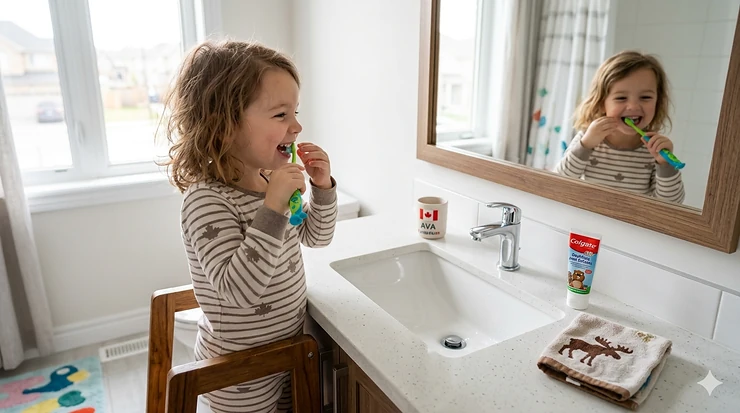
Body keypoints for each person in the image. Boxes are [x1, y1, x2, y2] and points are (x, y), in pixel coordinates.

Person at [159, 39, 338, 413]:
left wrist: (322, 189)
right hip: (240, 373)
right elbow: (238, 292)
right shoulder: (206, 201)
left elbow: (316, 237)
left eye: (295, 112)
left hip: (287, 351)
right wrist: (272, 205)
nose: (297, 126)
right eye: (280, 115)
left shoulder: (269, 180)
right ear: (225, 127)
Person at [555, 50, 685, 204]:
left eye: (645, 97)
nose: (633, 106)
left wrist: (665, 164)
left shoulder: (654, 151)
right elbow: (558, 183)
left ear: (658, 101)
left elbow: (672, 204)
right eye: (621, 98)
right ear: (602, 102)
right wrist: (585, 145)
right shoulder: (588, 139)